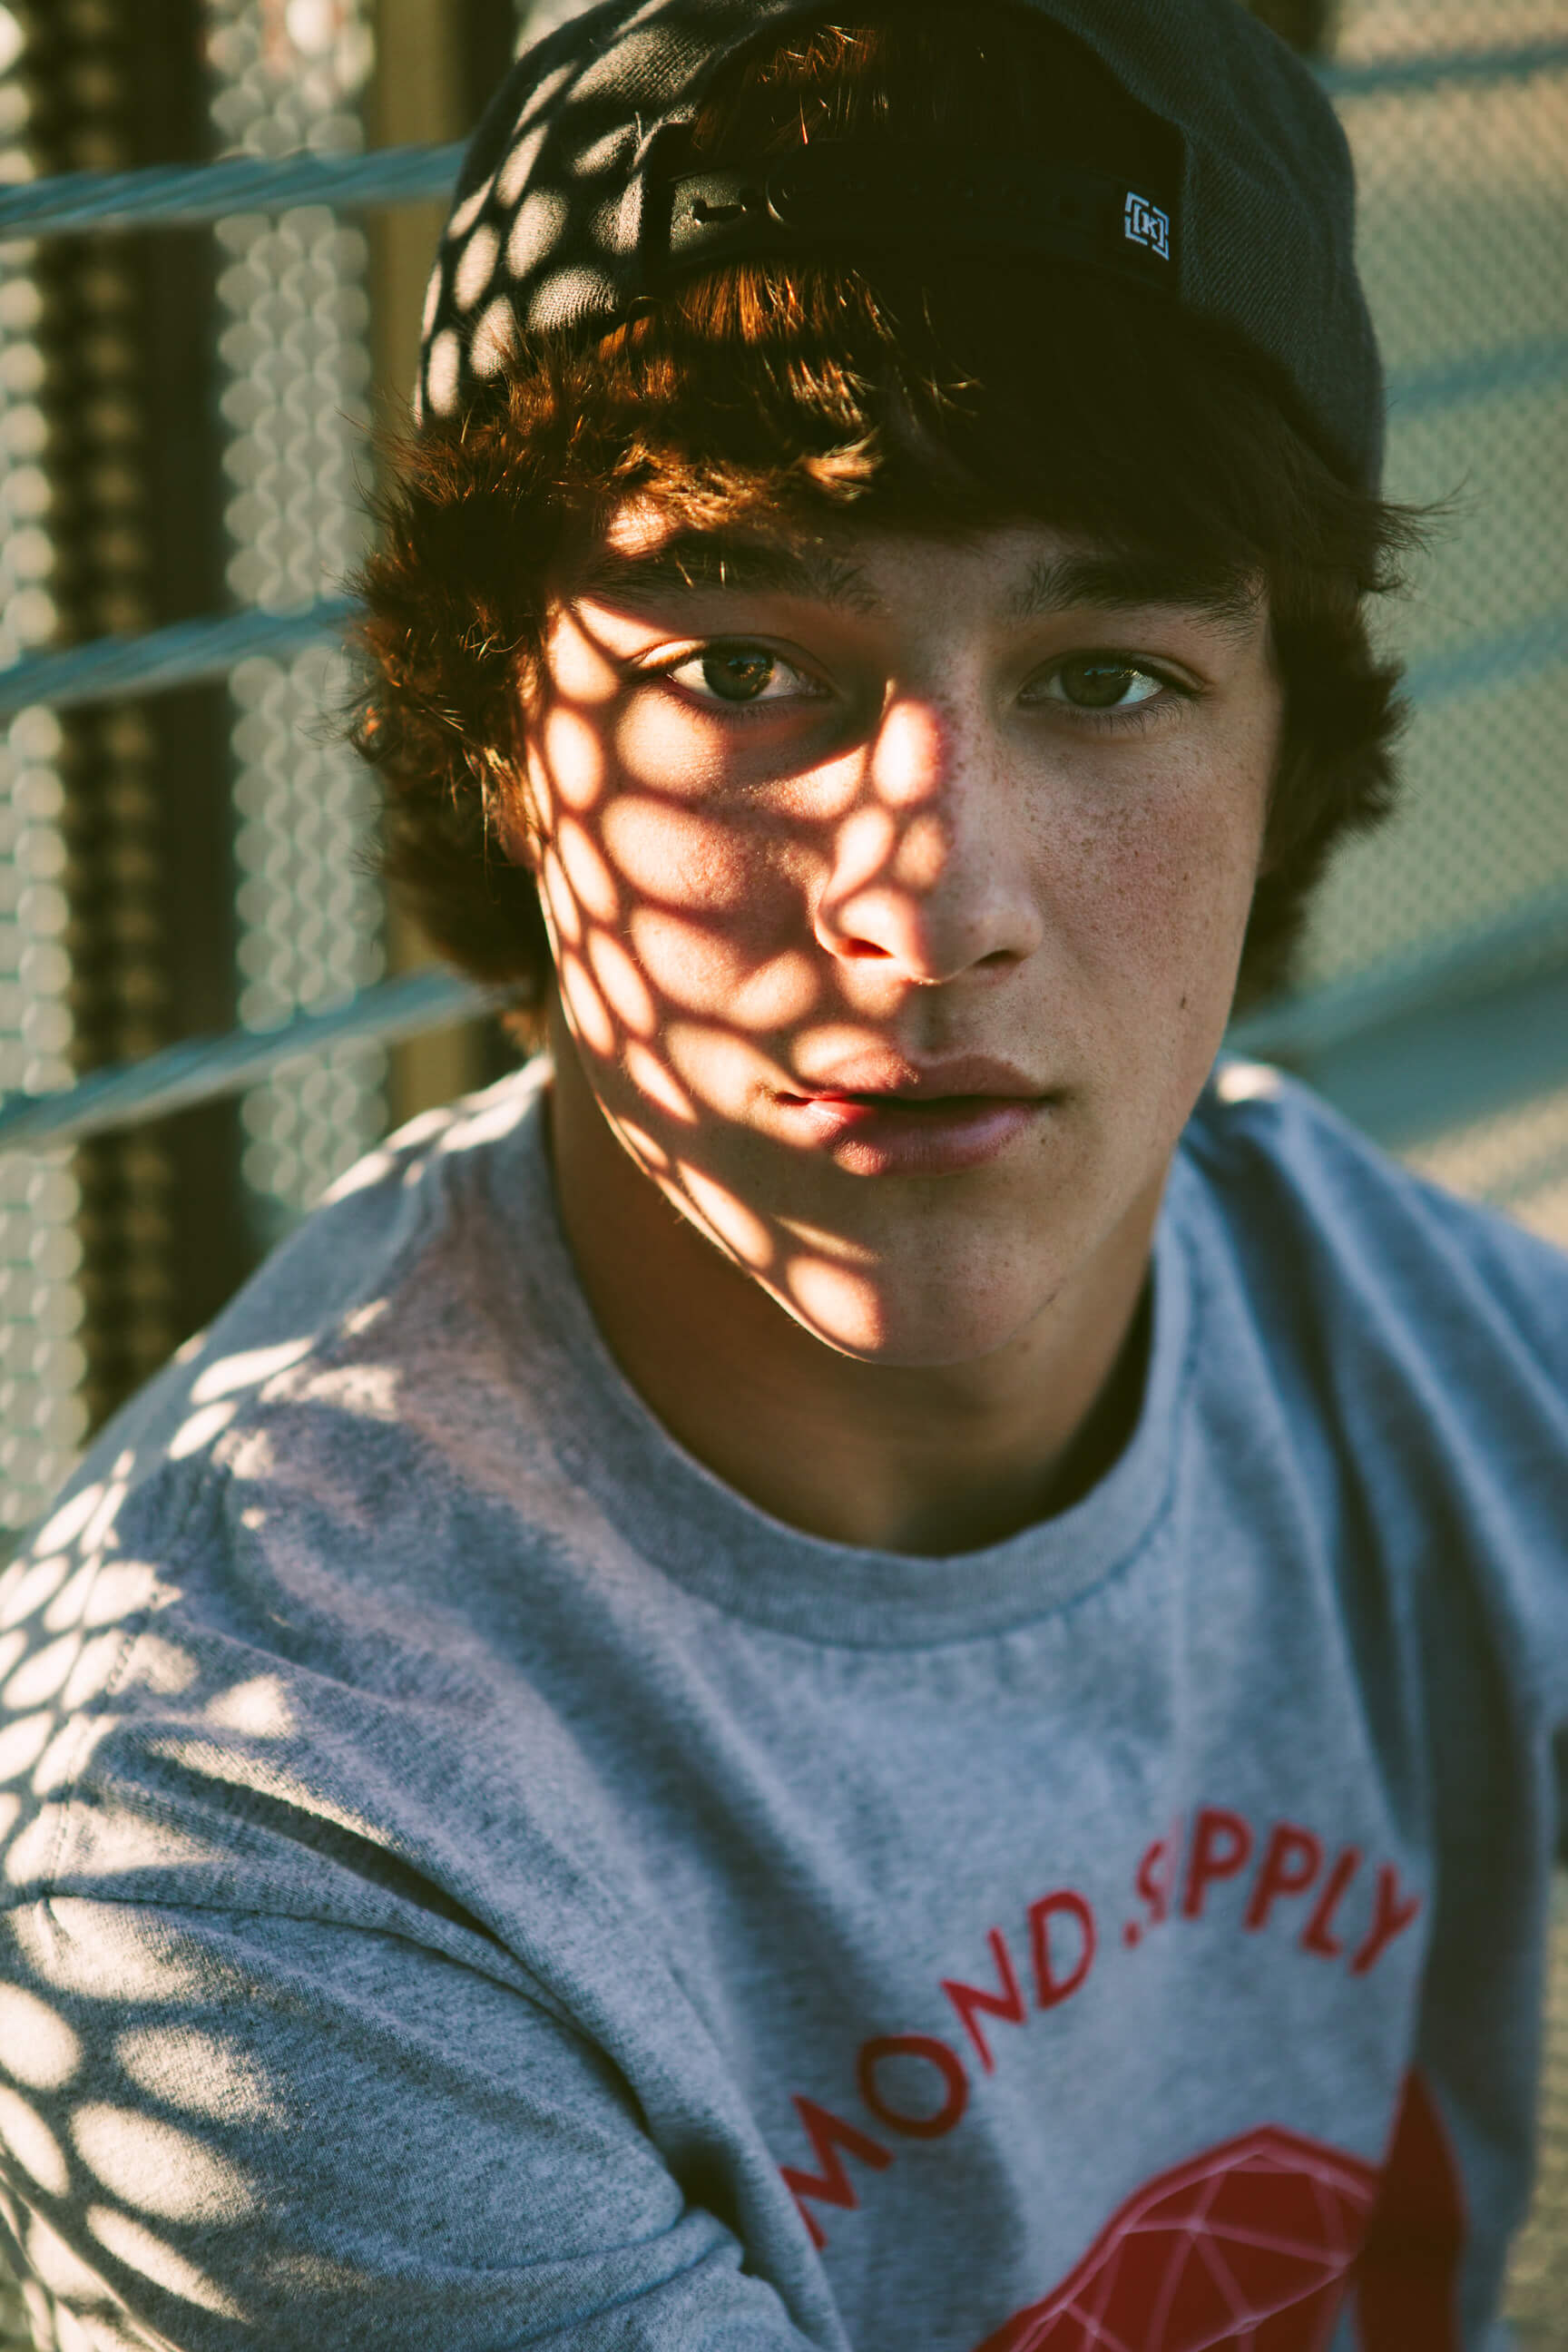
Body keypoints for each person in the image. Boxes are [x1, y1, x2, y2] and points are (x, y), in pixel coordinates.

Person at [1, 2, 1565, 2345]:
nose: (935, 904)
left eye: (1107, 675)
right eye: (745, 668)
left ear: (1290, 743)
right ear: (509, 743)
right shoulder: (254, 1834)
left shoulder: (1409, 1345)